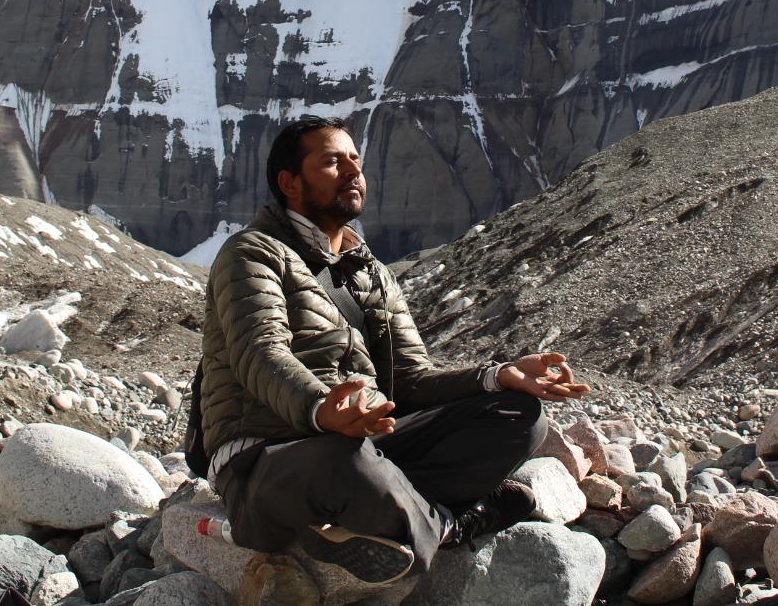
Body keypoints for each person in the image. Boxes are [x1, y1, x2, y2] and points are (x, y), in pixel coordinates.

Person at [198, 115, 590, 587]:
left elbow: (410, 381)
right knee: (341, 463)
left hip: (363, 442)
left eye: (355, 160)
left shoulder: (373, 274)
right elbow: (259, 354)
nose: (352, 171)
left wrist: (497, 376)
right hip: (268, 456)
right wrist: (321, 410)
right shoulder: (252, 253)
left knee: (522, 416)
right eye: (331, 162)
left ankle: (380, 514)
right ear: (289, 183)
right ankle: (449, 522)